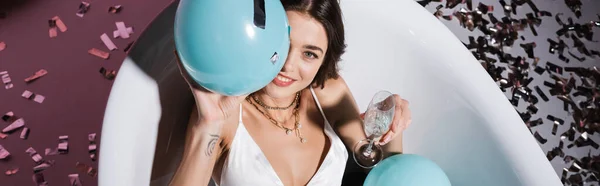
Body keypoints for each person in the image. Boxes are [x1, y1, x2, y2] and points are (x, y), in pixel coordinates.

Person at [168, 0, 412, 185]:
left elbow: (375, 163)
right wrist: (209, 123)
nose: (286, 66)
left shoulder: (327, 92)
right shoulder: (227, 113)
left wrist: (392, 116)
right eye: (282, 45)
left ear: (325, 59)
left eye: (309, 54)